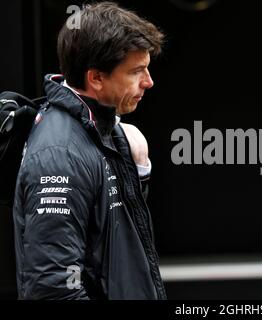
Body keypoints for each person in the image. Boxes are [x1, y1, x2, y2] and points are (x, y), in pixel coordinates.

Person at [13, 2, 166, 299]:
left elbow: (116, 251)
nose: (149, 82)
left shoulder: (110, 130)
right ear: (95, 78)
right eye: (137, 71)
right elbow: (53, 290)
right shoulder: (60, 156)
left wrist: (141, 174)